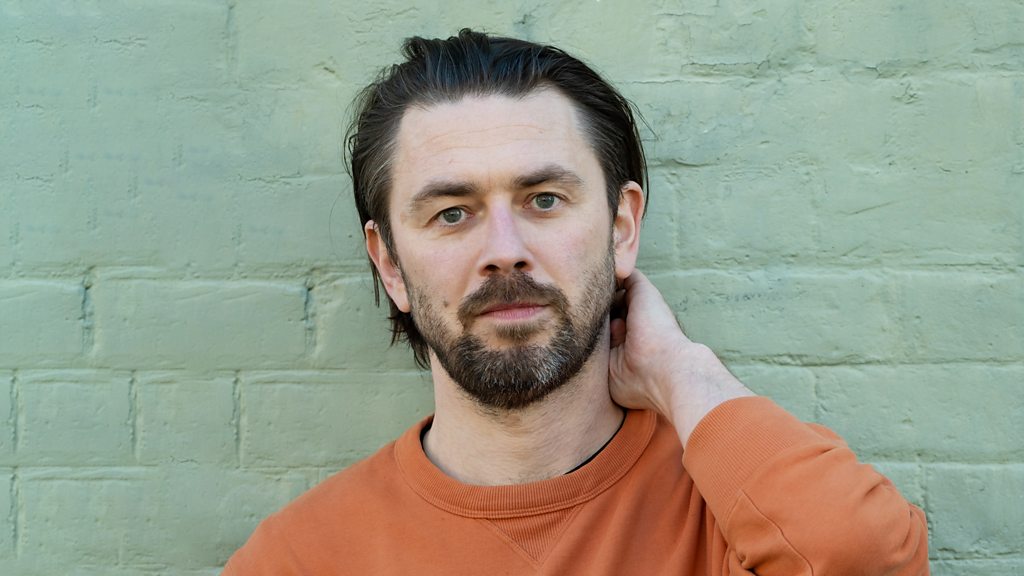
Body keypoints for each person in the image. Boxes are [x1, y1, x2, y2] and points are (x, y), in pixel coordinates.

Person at [223, 29, 929, 575]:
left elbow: (865, 559)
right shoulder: (301, 558)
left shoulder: (733, 515)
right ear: (390, 265)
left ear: (622, 229)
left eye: (544, 200)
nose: (504, 250)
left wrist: (681, 372)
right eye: (452, 213)